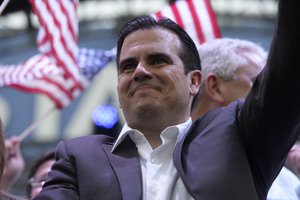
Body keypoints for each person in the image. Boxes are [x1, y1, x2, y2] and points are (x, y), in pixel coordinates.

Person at [34, 0, 300, 199]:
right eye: (127, 66)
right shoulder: (78, 157)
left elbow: (287, 73)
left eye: (158, 60)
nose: (139, 71)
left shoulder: (240, 137)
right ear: (118, 89)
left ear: (194, 81)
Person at [191, 38, 300, 200]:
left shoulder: (289, 181)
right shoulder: (165, 164)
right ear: (215, 87)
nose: (272, 98)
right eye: (259, 85)